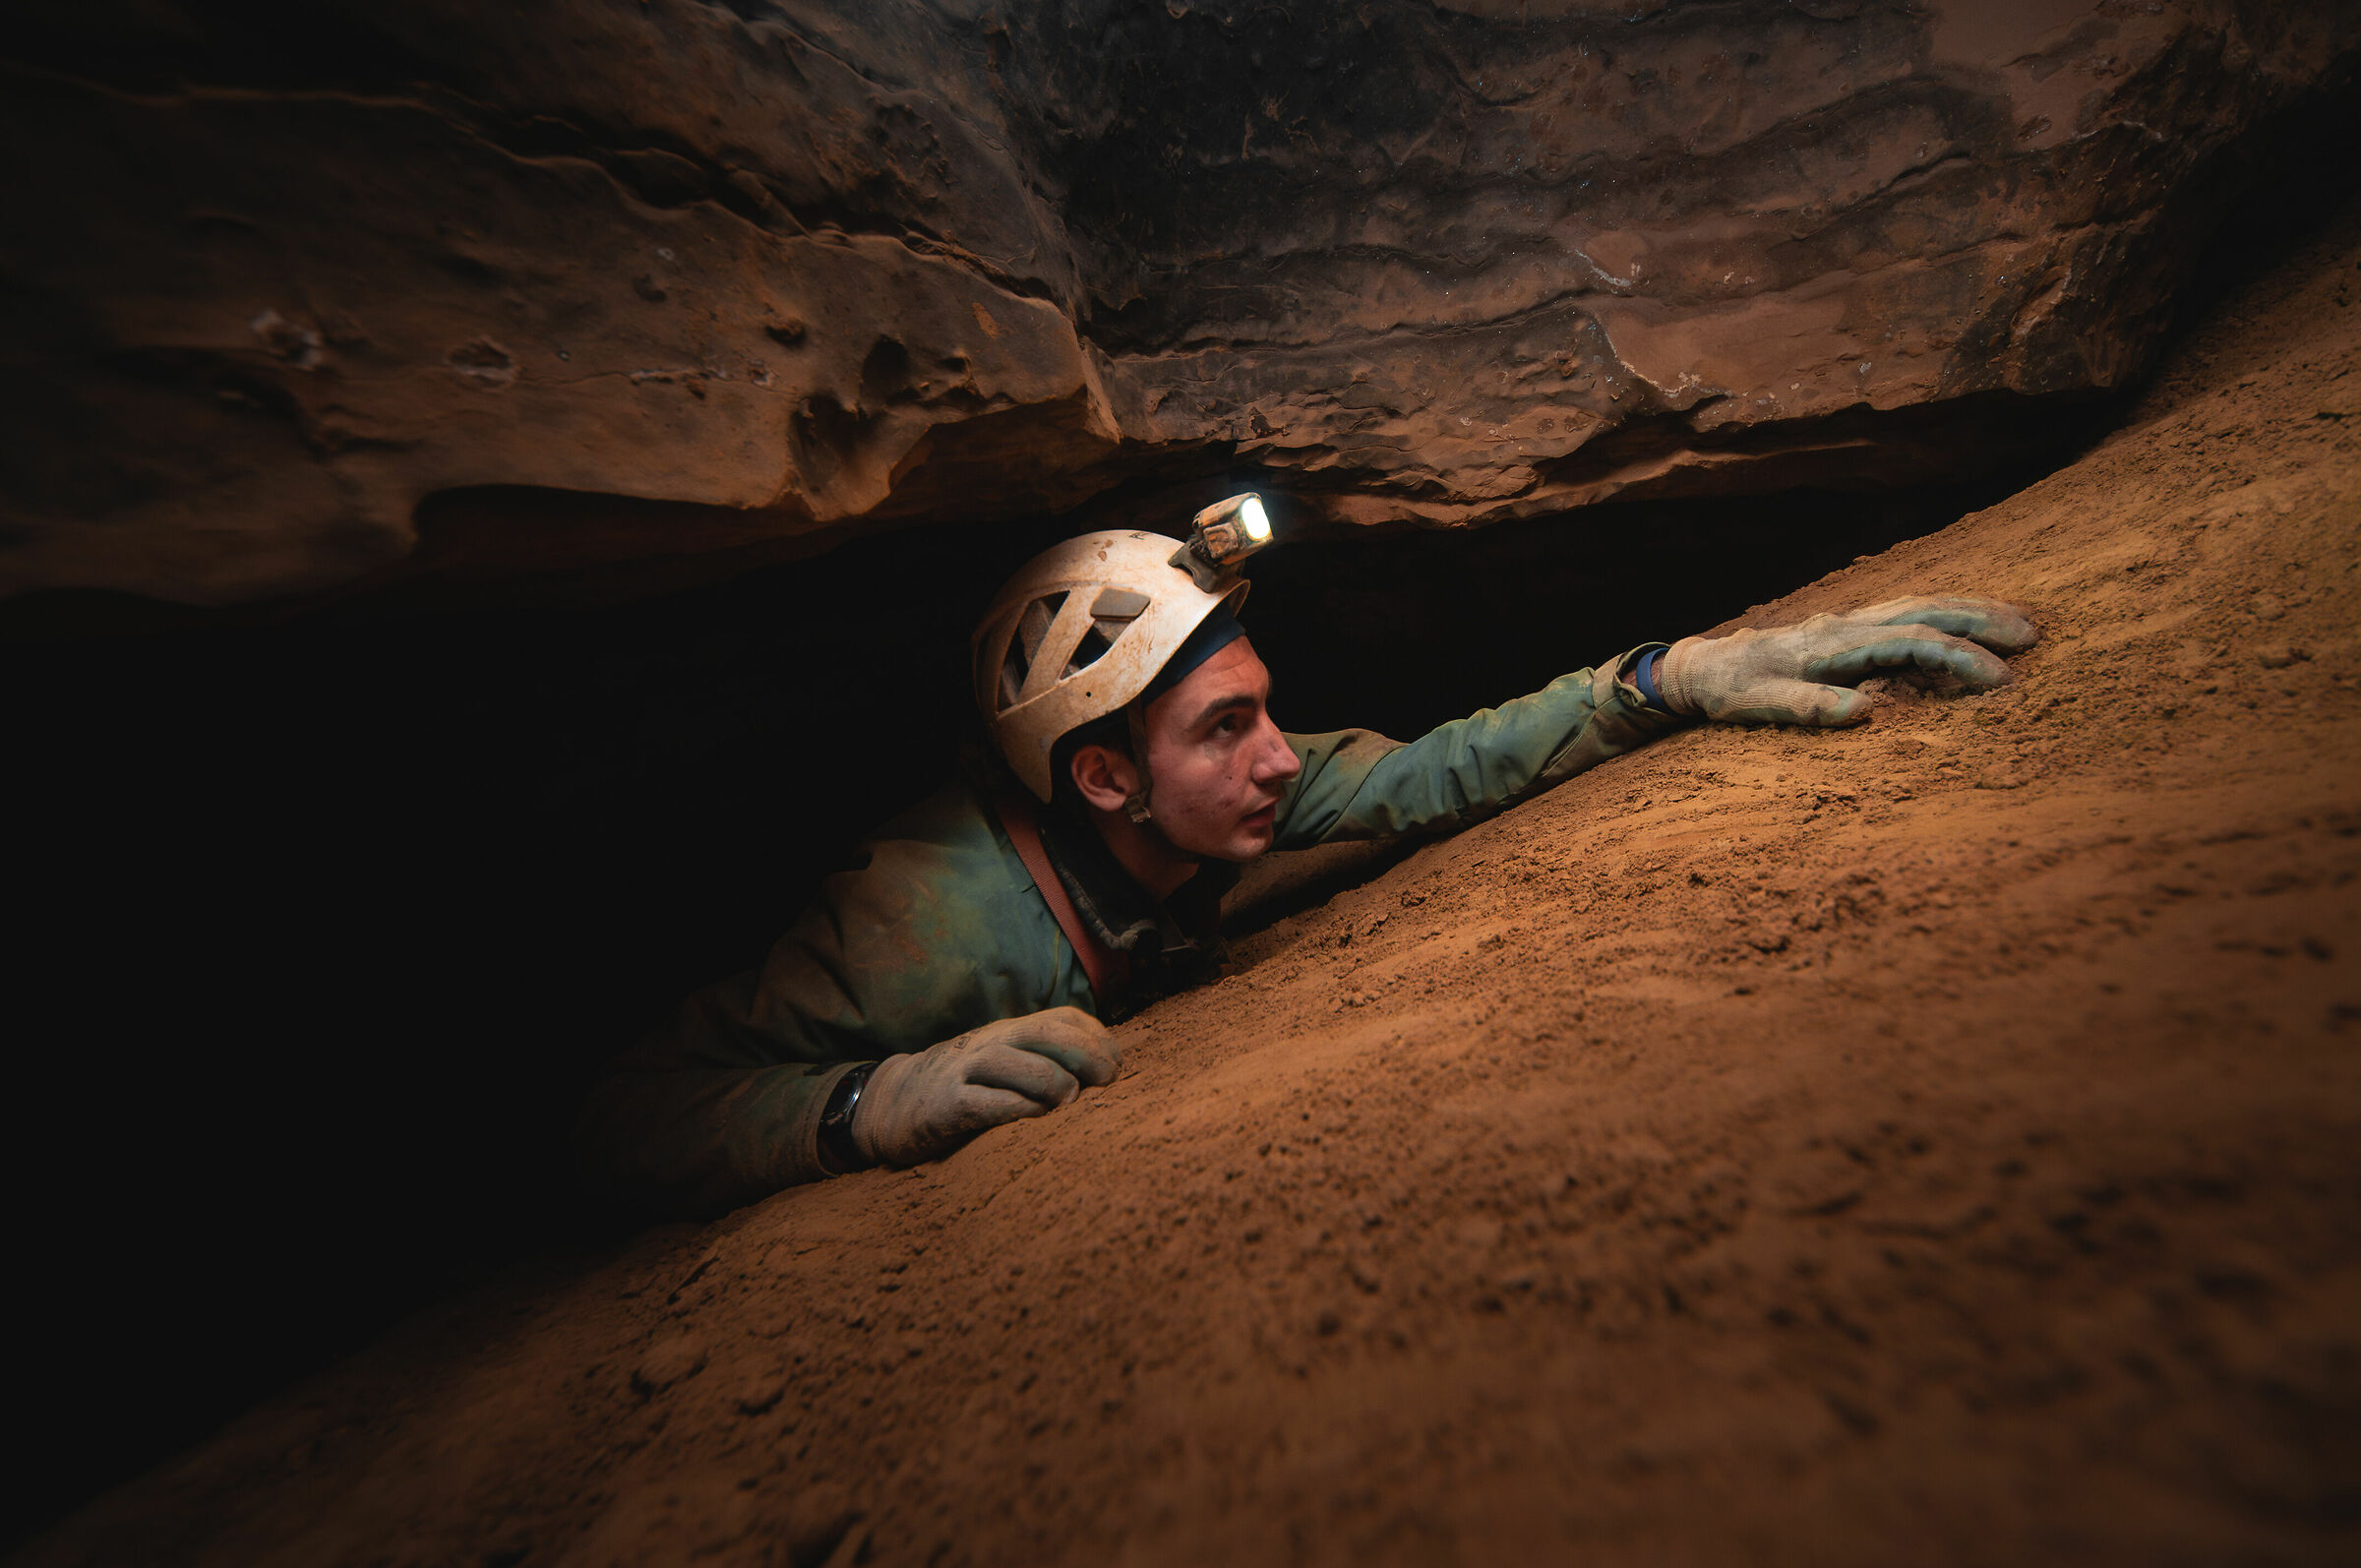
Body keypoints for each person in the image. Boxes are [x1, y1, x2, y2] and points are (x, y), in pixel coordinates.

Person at [575, 499, 2034, 1215]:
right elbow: (619, 1118)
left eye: (1268, 708)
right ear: (1103, 776)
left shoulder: (1219, 801)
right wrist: (865, 1100)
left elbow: (1428, 773)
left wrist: (1665, 678)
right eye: (1226, 729)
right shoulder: (934, 926)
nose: (1280, 757)